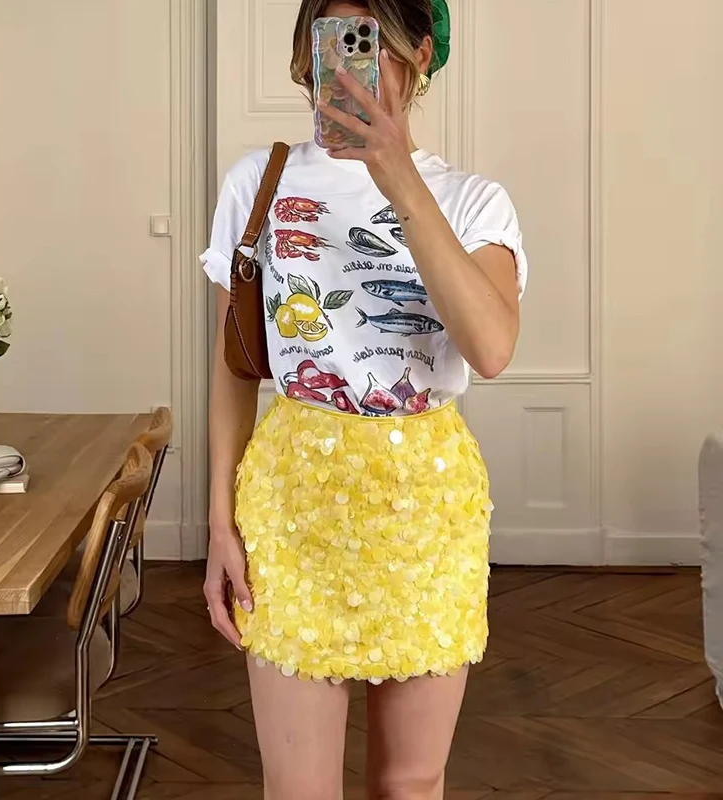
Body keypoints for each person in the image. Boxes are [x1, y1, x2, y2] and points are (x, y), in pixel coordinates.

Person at [201, 1, 527, 798]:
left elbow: (491, 349)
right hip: (292, 502)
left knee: (411, 782)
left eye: (370, 42)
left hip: (426, 509)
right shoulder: (259, 183)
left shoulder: (473, 201)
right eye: (334, 42)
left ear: (419, 54)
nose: (349, 66)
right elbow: (234, 367)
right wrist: (219, 523)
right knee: (299, 788)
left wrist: (396, 174)